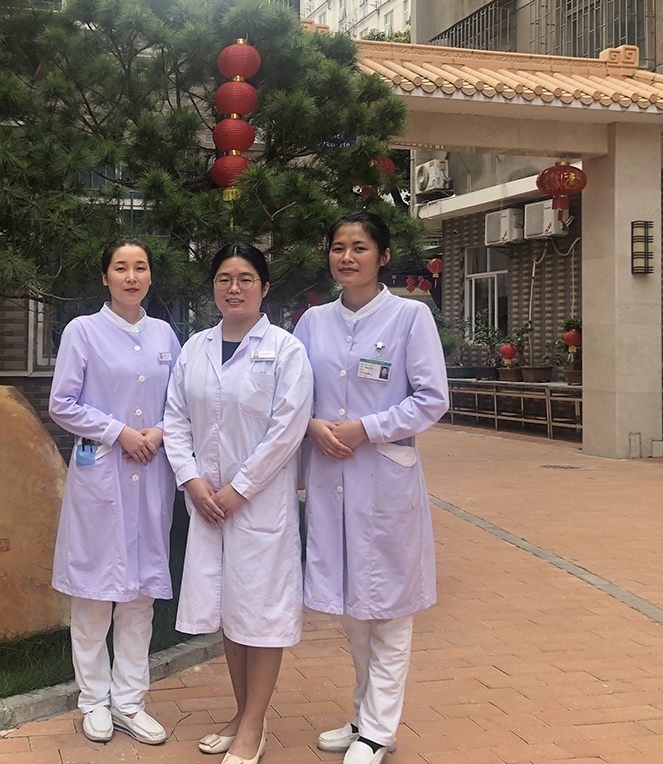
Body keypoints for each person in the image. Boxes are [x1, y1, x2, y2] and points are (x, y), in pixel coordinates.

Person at [294, 212, 450, 764]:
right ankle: (364, 716)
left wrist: (368, 427)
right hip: (330, 478)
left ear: (383, 257)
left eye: (360, 247)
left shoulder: (410, 317)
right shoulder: (312, 323)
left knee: (390, 607)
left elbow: (432, 399)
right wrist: (311, 425)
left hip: (384, 478)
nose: (347, 257)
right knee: (352, 609)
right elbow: (291, 396)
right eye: (338, 247)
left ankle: (378, 731)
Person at [163, 244, 313, 764]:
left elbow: (287, 430)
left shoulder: (287, 350)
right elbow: (175, 418)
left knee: (261, 613)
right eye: (224, 279)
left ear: (264, 288)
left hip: (259, 504)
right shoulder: (195, 348)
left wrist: (239, 488)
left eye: (246, 278)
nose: (234, 288)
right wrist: (191, 480)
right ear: (213, 289)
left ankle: (253, 726)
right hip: (206, 502)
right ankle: (243, 711)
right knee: (230, 608)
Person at [48, 238, 182, 746]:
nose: (131, 276)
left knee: (141, 594)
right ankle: (93, 700)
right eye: (121, 268)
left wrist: (160, 433)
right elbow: (63, 403)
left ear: (150, 276)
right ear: (105, 277)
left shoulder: (165, 334)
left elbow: (180, 401)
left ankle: (129, 701)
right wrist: (119, 432)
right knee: (93, 593)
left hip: (151, 473)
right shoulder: (83, 331)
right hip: (102, 473)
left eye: (140, 267)